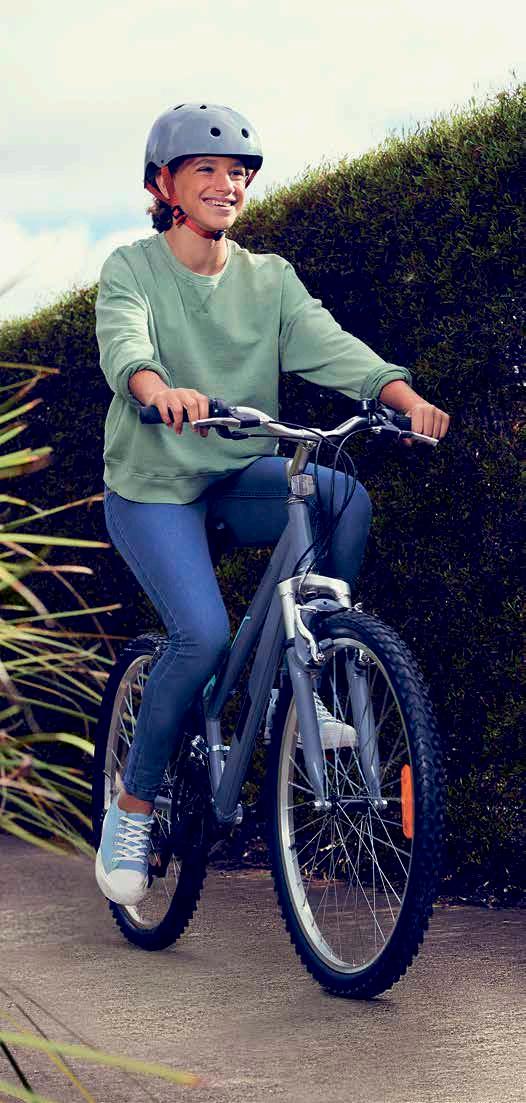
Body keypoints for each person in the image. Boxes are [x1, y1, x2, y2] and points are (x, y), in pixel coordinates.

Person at [94, 102, 450, 906]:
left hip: (233, 473)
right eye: (207, 170)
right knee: (201, 635)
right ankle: (134, 807)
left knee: (340, 497)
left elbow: (333, 347)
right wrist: (157, 390)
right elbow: (126, 345)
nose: (228, 185)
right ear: (164, 186)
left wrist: (401, 397)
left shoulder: (270, 278)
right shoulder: (132, 269)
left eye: (238, 173)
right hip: (153, 486)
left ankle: (312, 679)